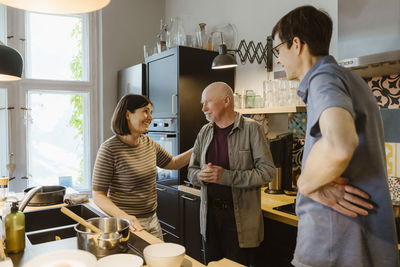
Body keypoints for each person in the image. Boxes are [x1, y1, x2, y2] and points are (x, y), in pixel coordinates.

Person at [271, 5, 399, 267]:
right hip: (363, 244)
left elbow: (340, 144)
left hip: (332, 246)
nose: (278, 60)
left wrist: (305, 185)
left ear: (296, 44)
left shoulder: (323, 78)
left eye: (277, 50)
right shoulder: (351, 80)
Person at [188, 82, 275, 266]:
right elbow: (191, 170)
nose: (203, 108)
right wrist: (200, 176)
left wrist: (226, 177)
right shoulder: (204, 131)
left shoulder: (252, 129)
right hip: (209, 216)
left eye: (208, 102)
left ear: (227, 101)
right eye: (202, 103)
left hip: (240, 220)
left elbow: (267, 172)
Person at [92, 94, 192, 239]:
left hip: (152, 220)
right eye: (145, 111)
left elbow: (174, 163)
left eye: (151, 112)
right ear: (127, 114)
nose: (150, 117)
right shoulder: (109, 149)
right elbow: (98, 195)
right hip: (125, 224)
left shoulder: (149, 143)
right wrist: (124, 217)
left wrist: (198, 148)